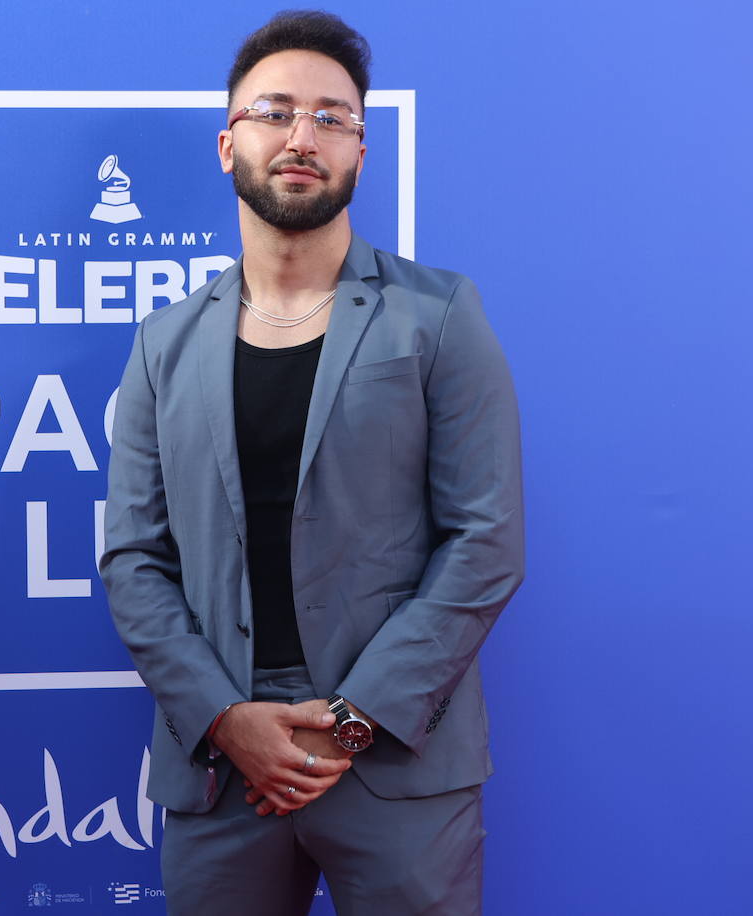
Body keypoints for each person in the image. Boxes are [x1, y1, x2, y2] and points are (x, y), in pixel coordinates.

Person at [99, 10, 524, 915]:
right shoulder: (161, 347)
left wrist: (356, 718)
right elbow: (133, 559)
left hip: (399, 760)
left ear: (361, 153)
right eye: (277, 111)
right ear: (227, 144)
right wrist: (225, 717)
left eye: (334, 117)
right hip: (222, 771)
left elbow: (486, 539)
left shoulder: (439, 317)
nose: (304, 136)